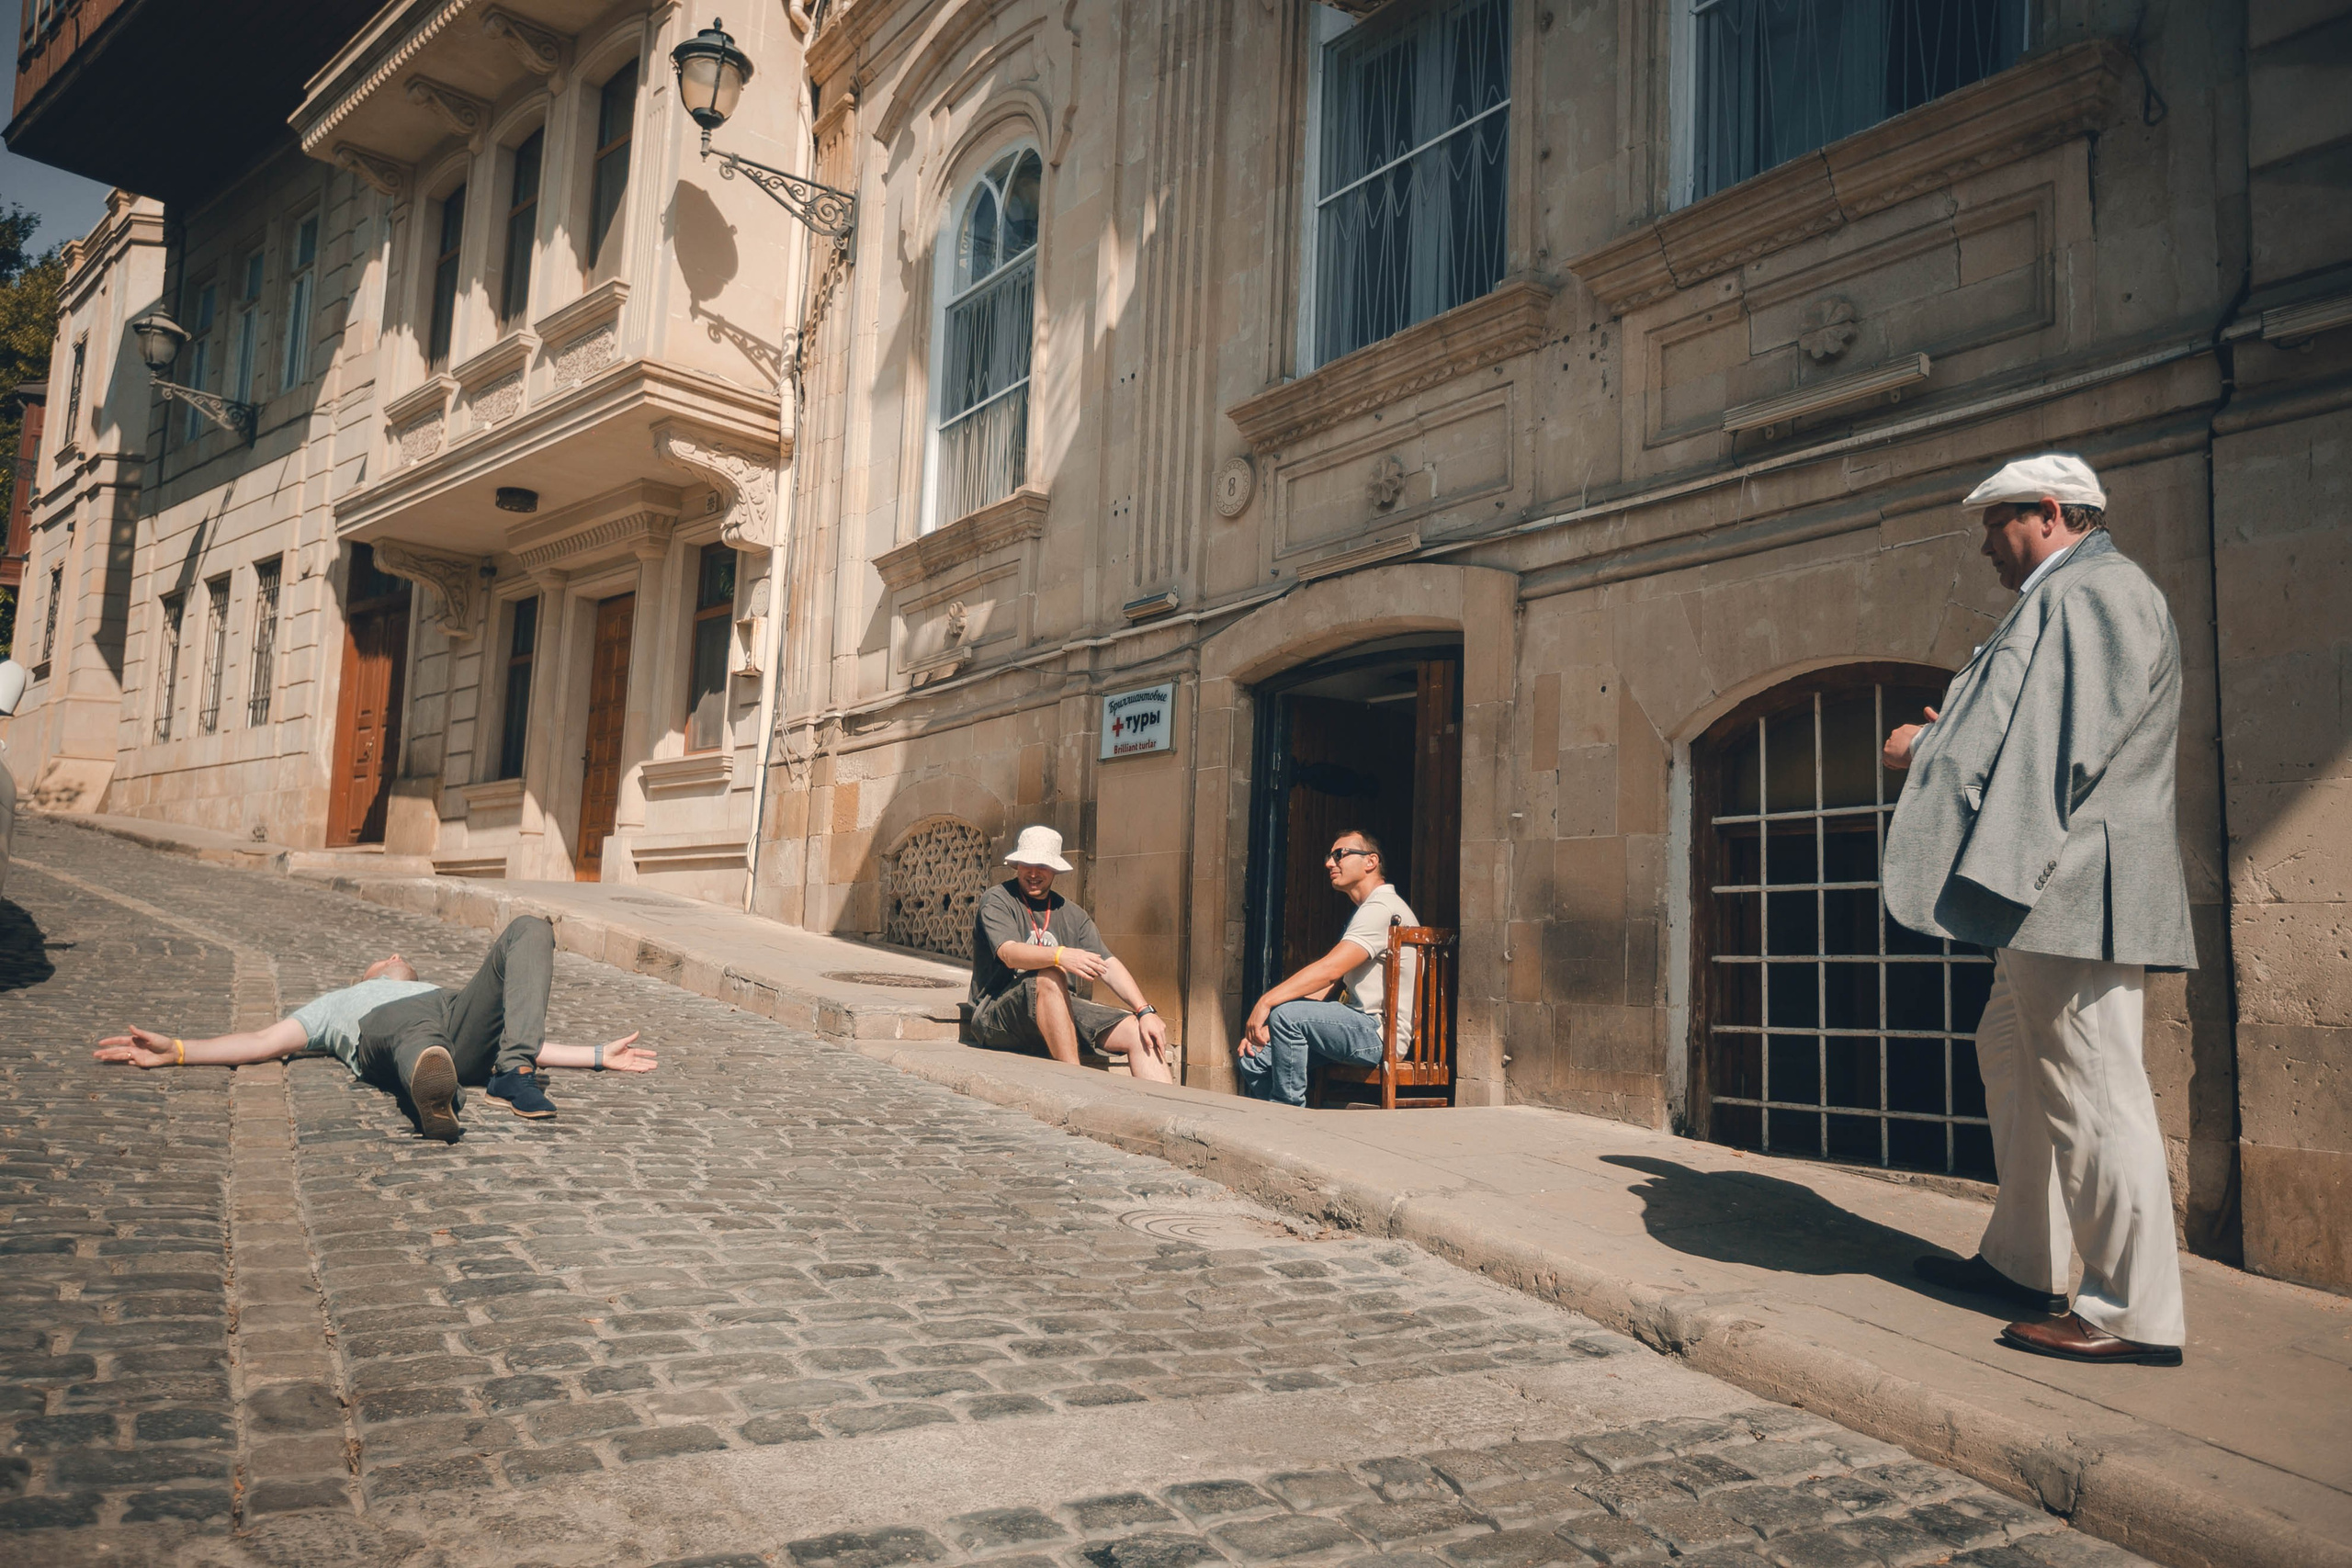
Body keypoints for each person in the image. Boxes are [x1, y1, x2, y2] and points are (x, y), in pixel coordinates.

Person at [1882, 453, 2193, 1368]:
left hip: (2071, 885)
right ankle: (2025, 1260)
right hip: (2051, 887)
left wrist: (1922, 751)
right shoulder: (2074, 593)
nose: (1985, 543)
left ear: (2050, 513)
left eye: (1996, 522)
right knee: (2016, 1059)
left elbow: (2062, 747)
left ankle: (2128, 1315)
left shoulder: (2092, 592)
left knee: (2095, 1092)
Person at [93, 917, 650, 1142]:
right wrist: (179, 1051)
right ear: (371, 974)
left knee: (530, 927)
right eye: (385, 958)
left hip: (453, 1021)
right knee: (419, 1039)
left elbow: (524, 1033)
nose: (395, 954)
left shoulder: (440, 988)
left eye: (398, 956)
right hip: (386, 1030)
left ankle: (507, 1078)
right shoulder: (341, 1003)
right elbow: (262, 1043)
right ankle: (435, 1090)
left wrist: (599, 1054)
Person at [967, 825, 1175, 1083]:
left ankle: (1162, 1111)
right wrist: (1060, 956)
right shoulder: (998, 899)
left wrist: (1145, 1011)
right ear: (1017, 864)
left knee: (1140, 1030)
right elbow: (1009, 953)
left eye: (1042, 865)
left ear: (1055, 869)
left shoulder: (1072, 913)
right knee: (1050, 975)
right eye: (1027, 864)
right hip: (998, 1014)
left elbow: (1107, 964)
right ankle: (1077, 1087)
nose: (1033, 873)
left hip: (1062, 1008)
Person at [1238, 829, 1417, 1107]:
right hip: (1354, 1024)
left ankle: (1286, 1116)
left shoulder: (1382, 908)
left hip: (1376, 1033)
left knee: (1287, 1016)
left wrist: (1266, 1003)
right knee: (1254, 1056)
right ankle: (1292, 1118)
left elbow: (1329, 970)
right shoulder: (1369, 909)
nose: (1329, 863)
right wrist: (1273, 1027)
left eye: (1339, 854)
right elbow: (1332, 984)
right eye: (1330, 856)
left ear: (1371, 862)